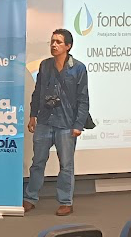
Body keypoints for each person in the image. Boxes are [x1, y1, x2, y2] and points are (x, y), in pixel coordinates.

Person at [24, 28, 90, 216]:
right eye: (52, 41)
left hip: (67, 124)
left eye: (58, 42)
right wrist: (33, 115)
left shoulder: (78, 68)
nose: (54, 45)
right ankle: (30, 198)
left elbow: (83, 99)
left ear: (68, 46)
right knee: (37, 162)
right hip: (45, 121)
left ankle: (66, 202)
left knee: (66, 165)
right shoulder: (45, 66)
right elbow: (37, 92)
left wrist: (78, 125)